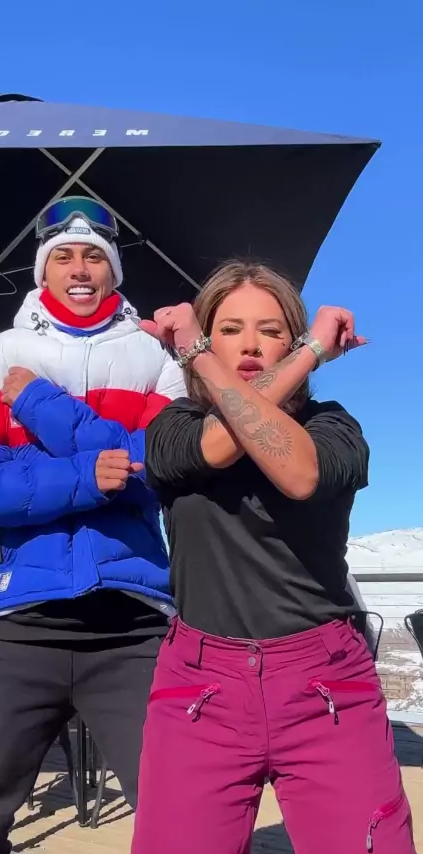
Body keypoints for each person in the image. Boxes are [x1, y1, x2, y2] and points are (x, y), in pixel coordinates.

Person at [131, 261, 415, 854]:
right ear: (209, 340)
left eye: (272, 330)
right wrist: (309, 351)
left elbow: (298, 474)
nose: (251, 345)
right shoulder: (174, 426)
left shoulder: (332, 426)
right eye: (228, 329)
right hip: (199, 688)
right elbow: (218, 445)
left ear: (293, 342)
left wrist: (201, 350)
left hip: (325, 683)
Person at [0, 196, 186, 854]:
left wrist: (39, 405)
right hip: (20, 625)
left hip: (134, 628)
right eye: (64, 258)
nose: (79, 270)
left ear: (113, 271)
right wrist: (88, 475)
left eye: (93, 258)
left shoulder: (157, 360)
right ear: (42, 271)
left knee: (182, 824)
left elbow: (170, 468)